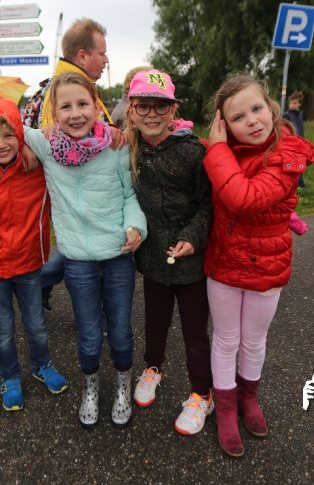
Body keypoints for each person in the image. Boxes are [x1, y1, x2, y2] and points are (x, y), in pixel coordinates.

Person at [0, 72, 147, 428]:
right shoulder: (45, 144)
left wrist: (136, 226)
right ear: (53, 113)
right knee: (89, 334)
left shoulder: (115, 146)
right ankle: (90, 388)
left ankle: (123, 384)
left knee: (120, 331)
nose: (75, 113)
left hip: (119, 255)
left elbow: (129, 196)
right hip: (77, 259)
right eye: (65, 106)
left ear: (96, 106)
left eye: (83, 104)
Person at [203, 74, 314, 457]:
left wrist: (217, 150)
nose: (252, 120)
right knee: (225, 340)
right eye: (238, 117)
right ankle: (225, 407)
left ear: (270, 107)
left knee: (253, 340)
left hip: (267, 265)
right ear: (223, 125)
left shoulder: (287, 154)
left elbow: (244, 198)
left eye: (256, 108)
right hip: (224, 264)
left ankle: (248, 397)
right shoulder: (222, 152)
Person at [124, 70, 214, 435]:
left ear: (173, 109)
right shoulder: (128, 146)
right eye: (143, 106)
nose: (152, 114)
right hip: (152, 258)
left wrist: (193, 236)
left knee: (195, 331)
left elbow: (208, 204)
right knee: (155, 321)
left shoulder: (194, 152)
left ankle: (201, 394)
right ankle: (152, 369)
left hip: (191, 260)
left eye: (160, 106)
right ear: (131, 109)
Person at [0, 99, 69, 411]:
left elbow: (75, 147)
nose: (1, 144)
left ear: (21, 135)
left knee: (36, 324)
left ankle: (42, 365)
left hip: (29, 263)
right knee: (3, 330)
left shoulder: (37, 164)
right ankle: (10, 377)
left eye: (9, 136)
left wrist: (29, 144)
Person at [22, 18, 113, 310]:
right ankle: (39, 288)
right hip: (72, 197)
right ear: (83, 55)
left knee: (75, 247)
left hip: (75, 199)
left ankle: (39, 286)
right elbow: (64, 151)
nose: (106, 60)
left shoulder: (65, 86)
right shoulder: (67, 91)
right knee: (77, 249)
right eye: (102, 53)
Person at [283, 91, 306, 188]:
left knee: (301, 162)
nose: (292, 105)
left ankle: (300, 183)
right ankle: (291, 184)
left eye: (295, 103)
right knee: (291, 163)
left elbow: (300, 129)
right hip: (291, 143)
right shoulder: (286, 115)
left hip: (300, 142)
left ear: (299, 104)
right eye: (291, 103)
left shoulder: (300, 114)